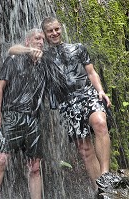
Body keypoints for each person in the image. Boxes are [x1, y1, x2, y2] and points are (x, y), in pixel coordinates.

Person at [9, 17, 122, 191]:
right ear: (45, 35)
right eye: (50, 31)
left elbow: (91, 72)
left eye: (56, 29)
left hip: (87, 94)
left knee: (100, 122)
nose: (54, 33)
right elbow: (12, 50)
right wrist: (30, 49)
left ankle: (105, 175)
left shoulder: (78, 48)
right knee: (85, 151)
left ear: (61, 29)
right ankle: (101, 190)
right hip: (67, 105)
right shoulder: (43, 56)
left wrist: (100, 90)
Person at [0, 28, 45, 199]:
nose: (41, 42)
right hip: (12, 116)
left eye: (43, 39)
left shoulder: (44, 63)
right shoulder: (14, 59)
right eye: (37, 38)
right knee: (1, 159)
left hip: (33, 119)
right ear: (28, 41)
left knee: (35, 166)